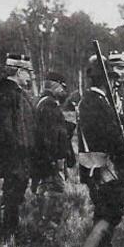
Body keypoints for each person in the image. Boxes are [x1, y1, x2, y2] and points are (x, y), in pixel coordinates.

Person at [73, 54, 124, 247]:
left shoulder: (93, 100)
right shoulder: (95, 102)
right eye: (112, 79)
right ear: (103, 80)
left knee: (103, 211)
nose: (116, 82)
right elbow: (106, 135)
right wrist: (122, 147)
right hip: (102, 167)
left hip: (96, 166)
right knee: (110, 213)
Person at [0, 53, 36, 237]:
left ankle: (10, 234)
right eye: (28, 72)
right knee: (12, 196)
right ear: (19, 72)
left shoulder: (13, 92)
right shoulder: (8, 94)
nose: (30, 77)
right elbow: (6, 129)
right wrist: (19, 150)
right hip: (14, 156)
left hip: (18, 155)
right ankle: (6, 237)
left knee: (15, 195)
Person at [33, 72, 74, 221]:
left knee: (44, 188)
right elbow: (50, 136)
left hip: (45, 158)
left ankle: (42, 220)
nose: (65, 91)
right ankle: (49, 225)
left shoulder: (42, 102)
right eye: (63, 87)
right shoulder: (49, 104)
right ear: (55, 85)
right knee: (55, 190)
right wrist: (56, 159)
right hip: (51, 160)